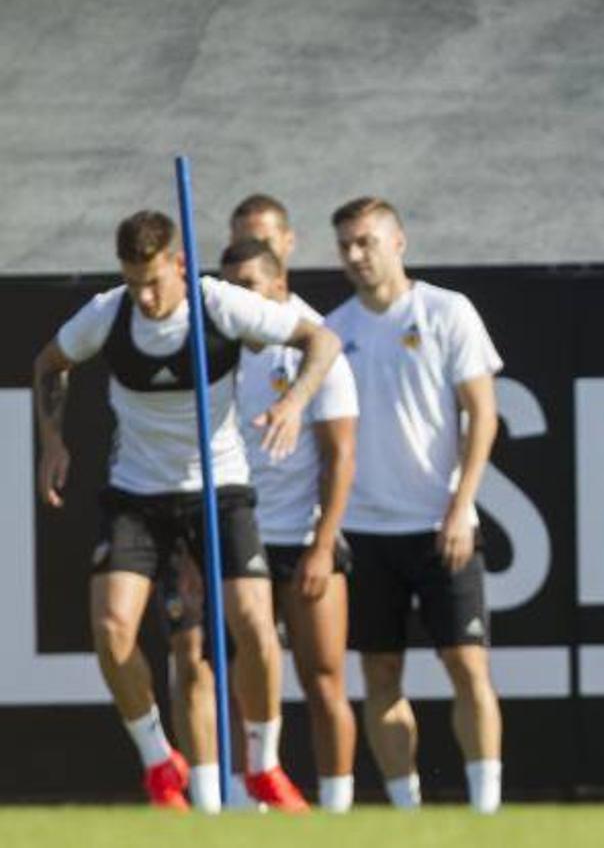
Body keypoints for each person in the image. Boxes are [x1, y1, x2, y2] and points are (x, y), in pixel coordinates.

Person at [32, 210, 338, 811]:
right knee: (112, 627)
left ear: (177, 263)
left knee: (253, 621)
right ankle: (158, 761)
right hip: (137, 494)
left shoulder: (219, 304)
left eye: (154, 281)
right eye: (132, 280)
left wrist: (295, 403)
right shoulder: (110, 312)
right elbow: (50, 364)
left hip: (219, 487)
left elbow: (319, 342)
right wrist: (52, 442)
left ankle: (264, 765)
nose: (144, 296)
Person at [163, 235, 361, 813]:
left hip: (300, 536)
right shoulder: (210, 345)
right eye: (227, 288)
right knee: (225, 671)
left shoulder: (313, 341)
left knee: (324, 678)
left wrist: (323, 545)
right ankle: (239, 801)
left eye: (248, 286)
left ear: (279, 285)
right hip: (230, 529)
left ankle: (336, 809)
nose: (236, 299)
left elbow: (341, 454)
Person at [325, 197, 504, 813]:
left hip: (440, 524)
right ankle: (407, 813)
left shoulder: (446, 312)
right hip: (365, 532)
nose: (355, 255)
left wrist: (461, 507)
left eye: (366, 241)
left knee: (466, 664)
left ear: (398, 242)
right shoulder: (333, 332)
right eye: (345, 244)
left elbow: (483, 414)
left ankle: (486, 811)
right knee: (379, 674)